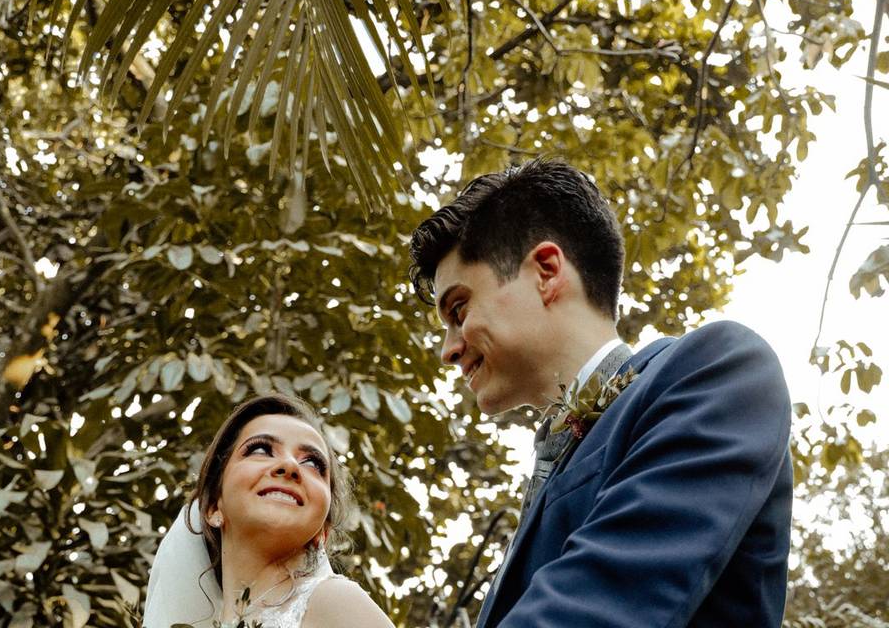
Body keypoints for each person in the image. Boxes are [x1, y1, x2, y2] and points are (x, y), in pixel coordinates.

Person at [407, 158, 793, 627]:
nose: (449, 350)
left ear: (547, 272)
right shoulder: (551, 455)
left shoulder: (718, 369)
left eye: (459, 308)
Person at [143, 394, 394, 628]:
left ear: (323, 532)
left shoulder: (334, 601)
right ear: (212, 508)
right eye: (261, 449)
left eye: (313, 463)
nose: (290, 465)